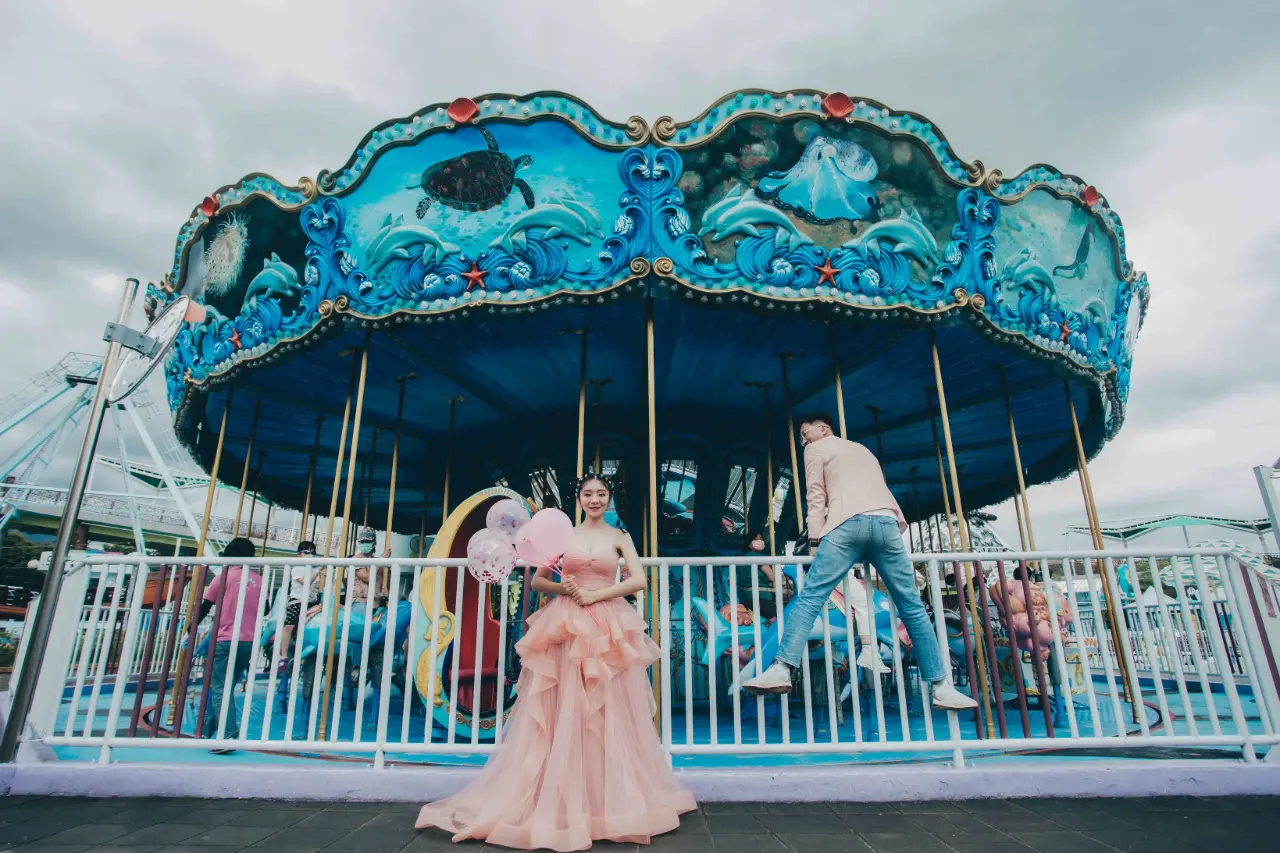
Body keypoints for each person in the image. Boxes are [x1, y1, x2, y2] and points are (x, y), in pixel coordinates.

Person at [416, 475, 695, 850]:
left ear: (608, 498)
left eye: (600, 494)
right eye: (588, 494)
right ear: (578, 499)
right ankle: (558, 797)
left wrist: (599, 595)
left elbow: (638, 580)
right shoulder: (564, 536)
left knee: (608, 706)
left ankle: (606, 798)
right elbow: (538, 582)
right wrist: (565, 588)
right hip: (566, 622)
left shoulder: (619, 537)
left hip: (606, 619)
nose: (594, 500)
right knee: (564, 704)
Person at [742, 413, 977, 711]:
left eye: (805, 433)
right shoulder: (863, 449)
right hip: (886, 523)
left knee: (810, 598)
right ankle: (941, 685)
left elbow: (816, 497)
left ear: (823, 429)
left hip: (845, 524)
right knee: (912, 606)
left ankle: (782, 667)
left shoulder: (816, 449)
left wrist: (815, 544)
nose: (803, 440)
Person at [196, 537, 264, 752]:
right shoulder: (258, 580)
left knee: (219, 688)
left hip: (226, 639)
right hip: (248, 641)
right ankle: (208, 730)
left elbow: (205, 606)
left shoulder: (222, 577)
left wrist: (189, 629)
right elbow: (267, 607)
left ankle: (228, 735)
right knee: (226, 688)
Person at [275, 540, 319, 673]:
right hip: (297, 600)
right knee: (289, 625)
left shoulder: (312, 570)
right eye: (307, 552)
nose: (310, 555)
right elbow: (306, 583)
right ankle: (283, 655)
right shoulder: (296, 569)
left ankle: (304, 652)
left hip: (311, 602)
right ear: (299, 554)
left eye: (312, 553)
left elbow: (315, 586)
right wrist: (318, 571)